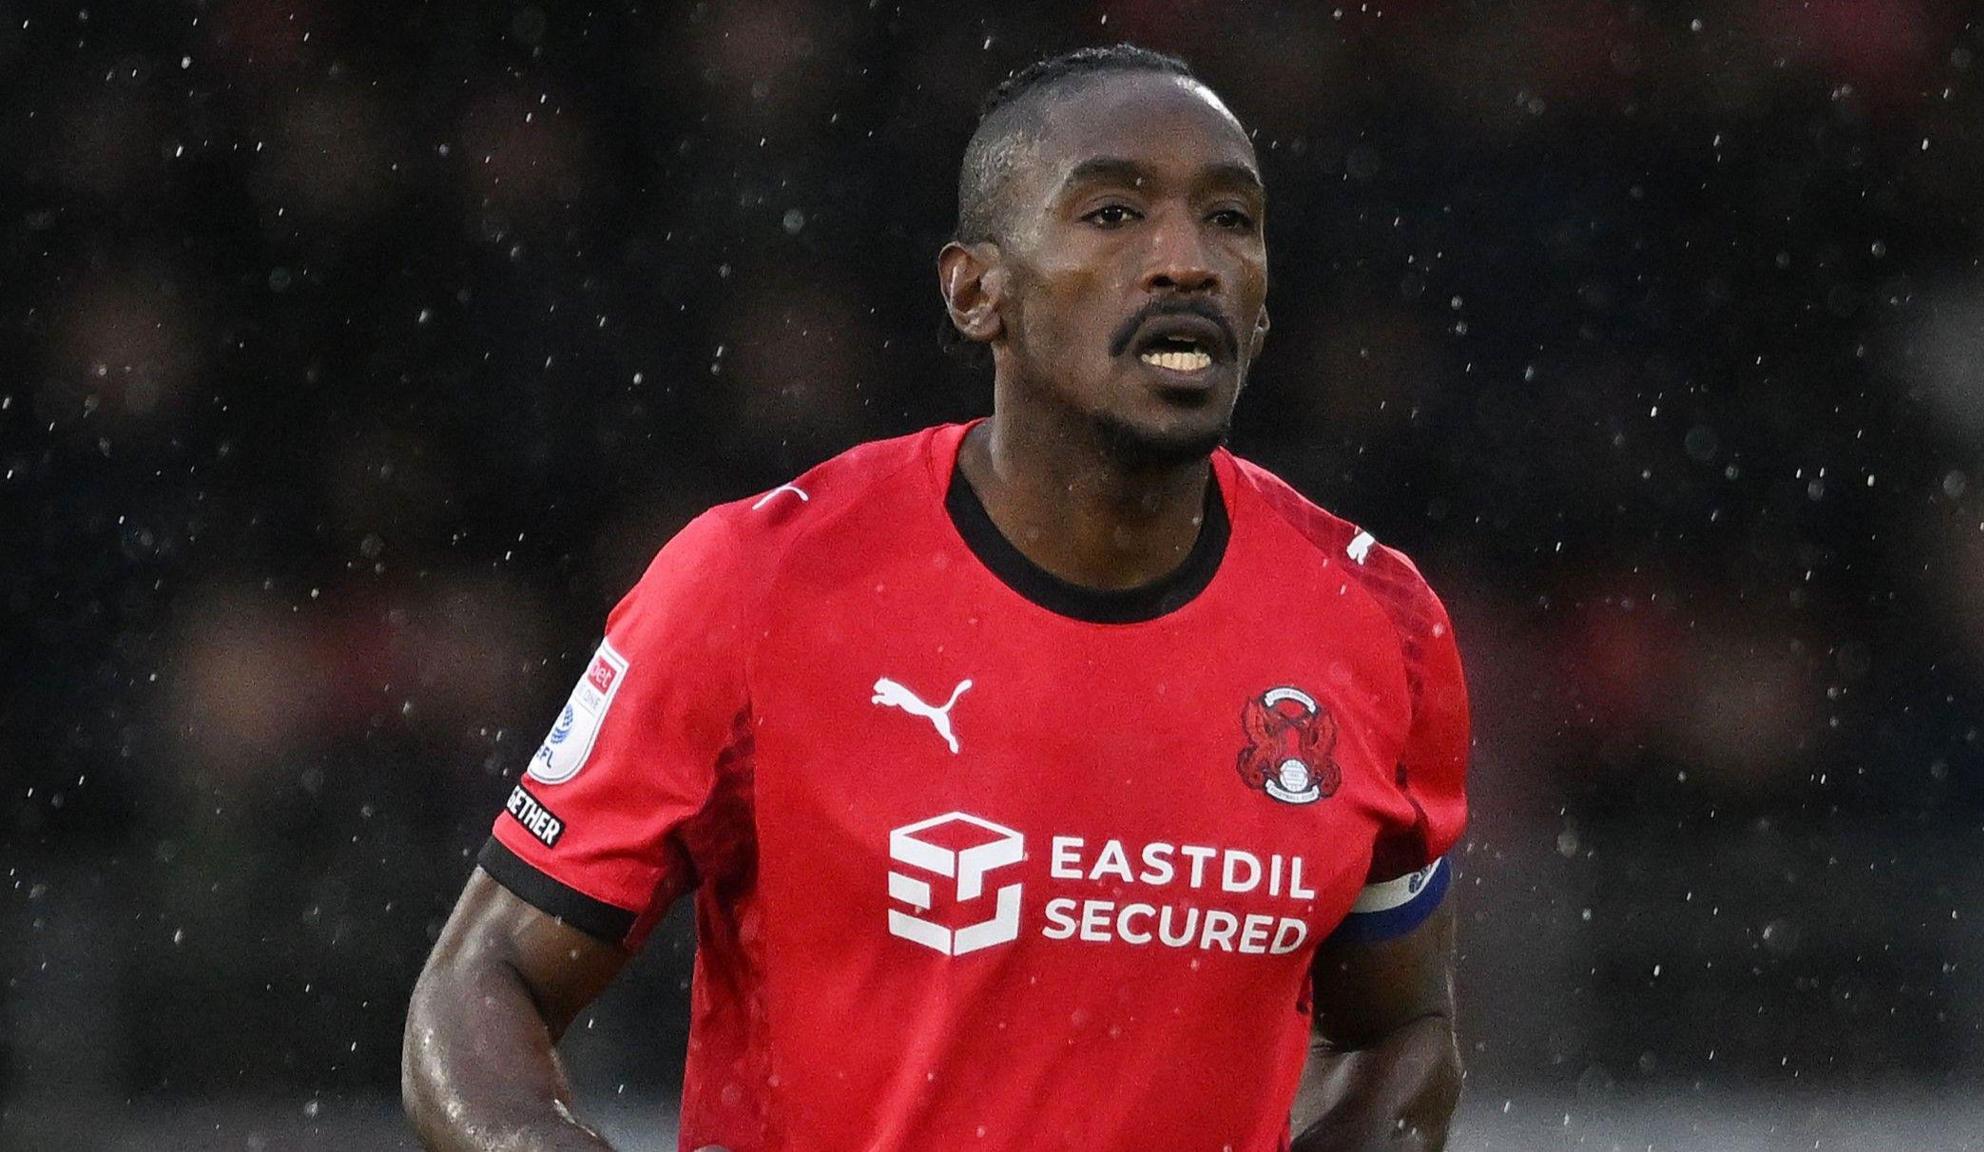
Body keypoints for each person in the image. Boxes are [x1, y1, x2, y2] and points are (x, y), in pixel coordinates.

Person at [403, 43, 1470, 1152]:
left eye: (1228, 221)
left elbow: (1398, 1029)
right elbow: (484, 983)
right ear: (975, 293)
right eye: (1111, 215)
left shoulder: (1375, 627)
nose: (1183, 262)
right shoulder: (757, 585)